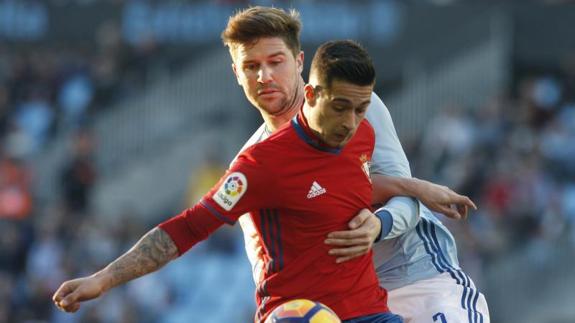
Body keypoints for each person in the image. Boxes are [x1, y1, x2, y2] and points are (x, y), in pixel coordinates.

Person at [53, 40, 402, 323]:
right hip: (295, 314)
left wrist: (419, 189)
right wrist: (104, 279)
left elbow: (347, 189)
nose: (351, 121)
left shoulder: (363, 136)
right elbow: (188, 228)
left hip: (370, 312)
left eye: (361, 108)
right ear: (310, 95)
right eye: (341, 107)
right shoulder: (261, 164)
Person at [220, 6, 489, 322]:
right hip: (347, 307)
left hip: (417, 276)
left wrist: (379, 224)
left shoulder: (354, 104)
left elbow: (407, 200)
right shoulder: (248, 165)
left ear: (298, 62)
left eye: (275, 62)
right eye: (252, 66)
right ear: (238, 73)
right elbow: (270, 274)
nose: (265, 77)